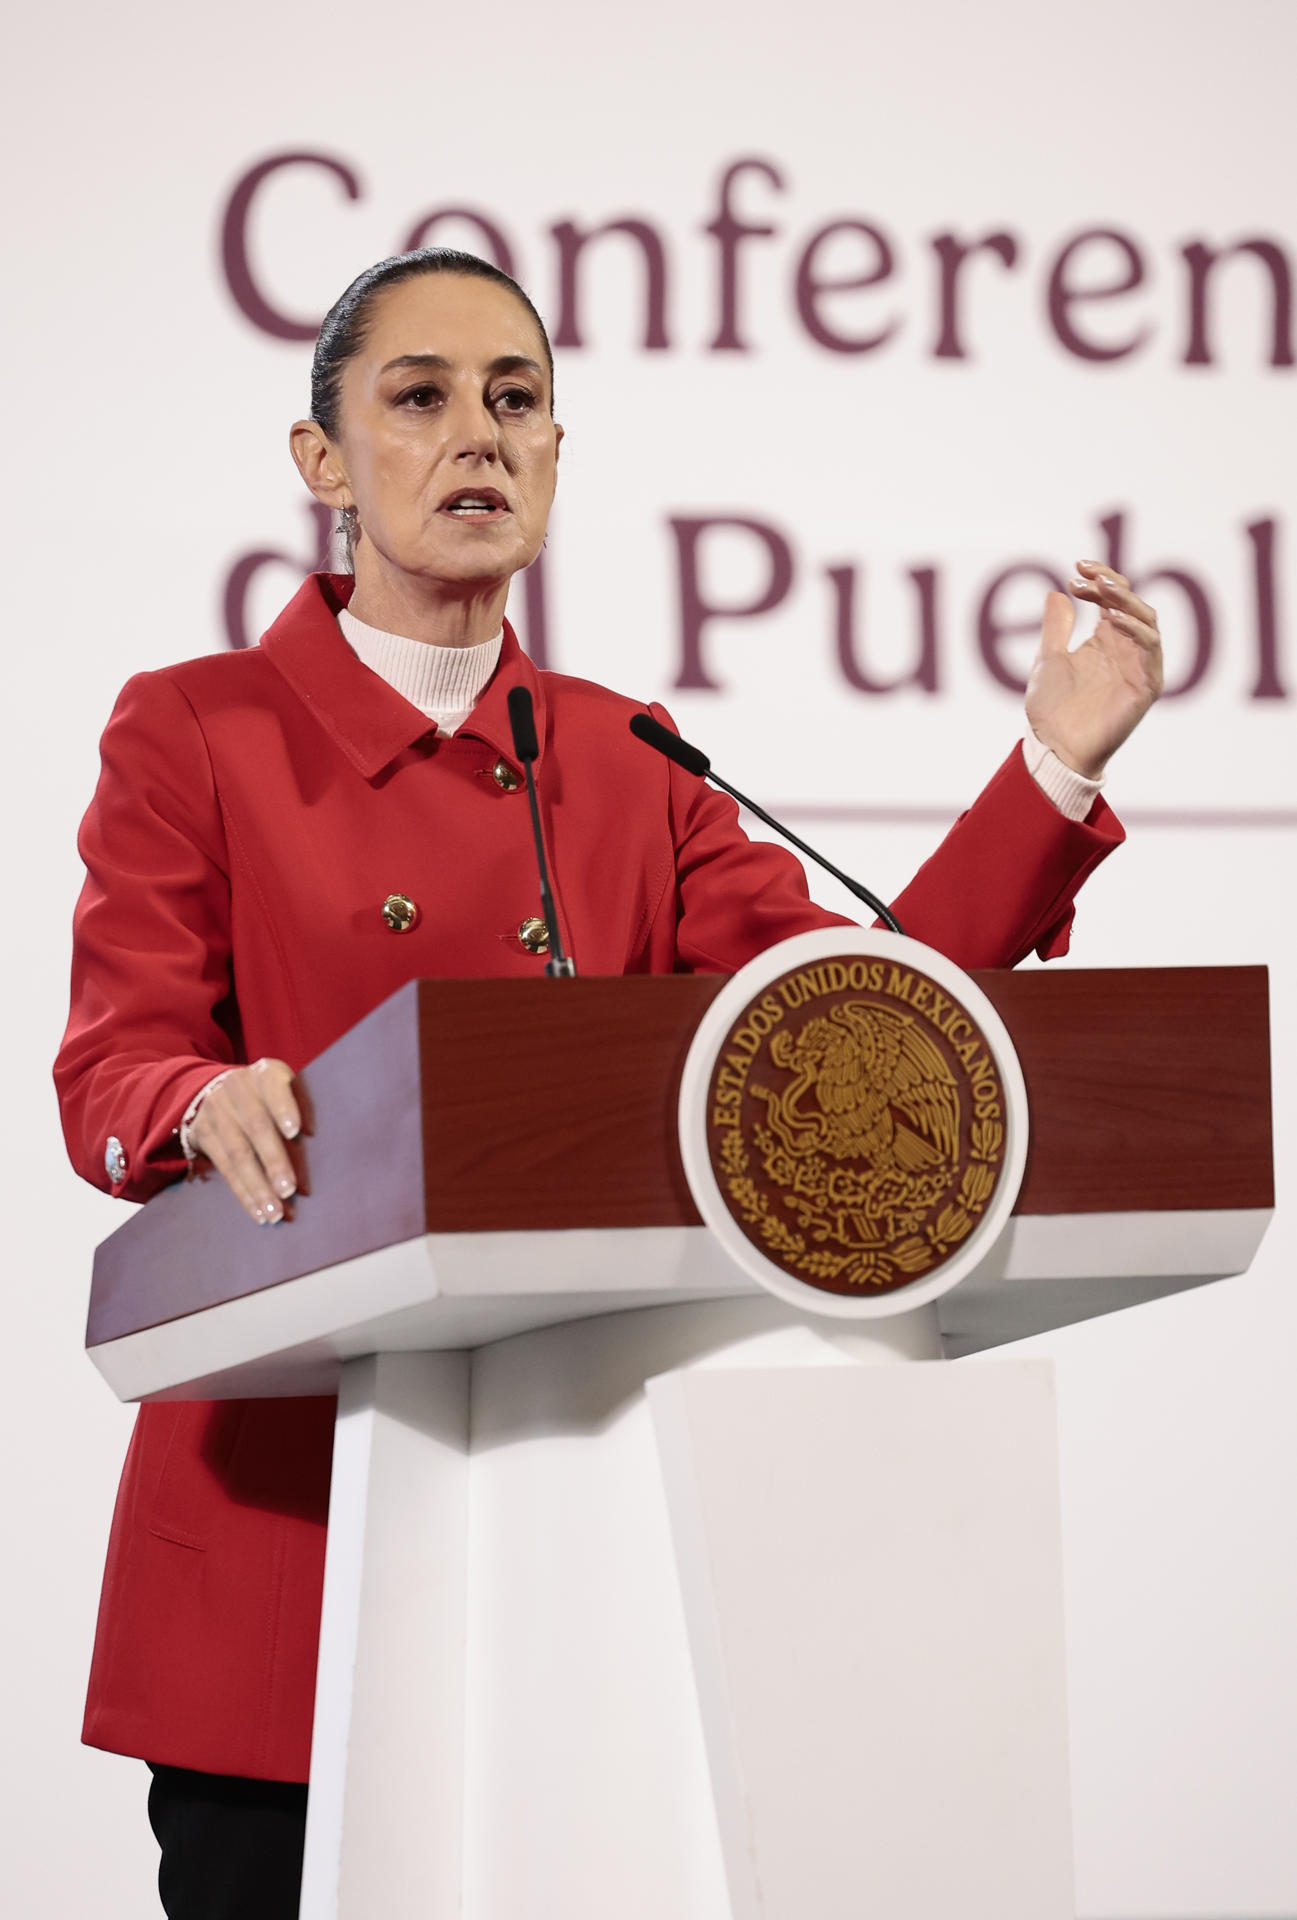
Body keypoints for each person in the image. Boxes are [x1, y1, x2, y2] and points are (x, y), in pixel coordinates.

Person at [55, 247, 1163, 1918]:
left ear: (561, 455)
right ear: (323, 463)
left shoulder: (625, 756)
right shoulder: (196, 730)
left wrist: (1051, 765)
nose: (476, 437)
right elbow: (113, 1060)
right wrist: (197, 1096)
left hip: (572, 1539)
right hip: (293, 1544)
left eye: (515, 402)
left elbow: (850, 1026)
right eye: (418, 400)